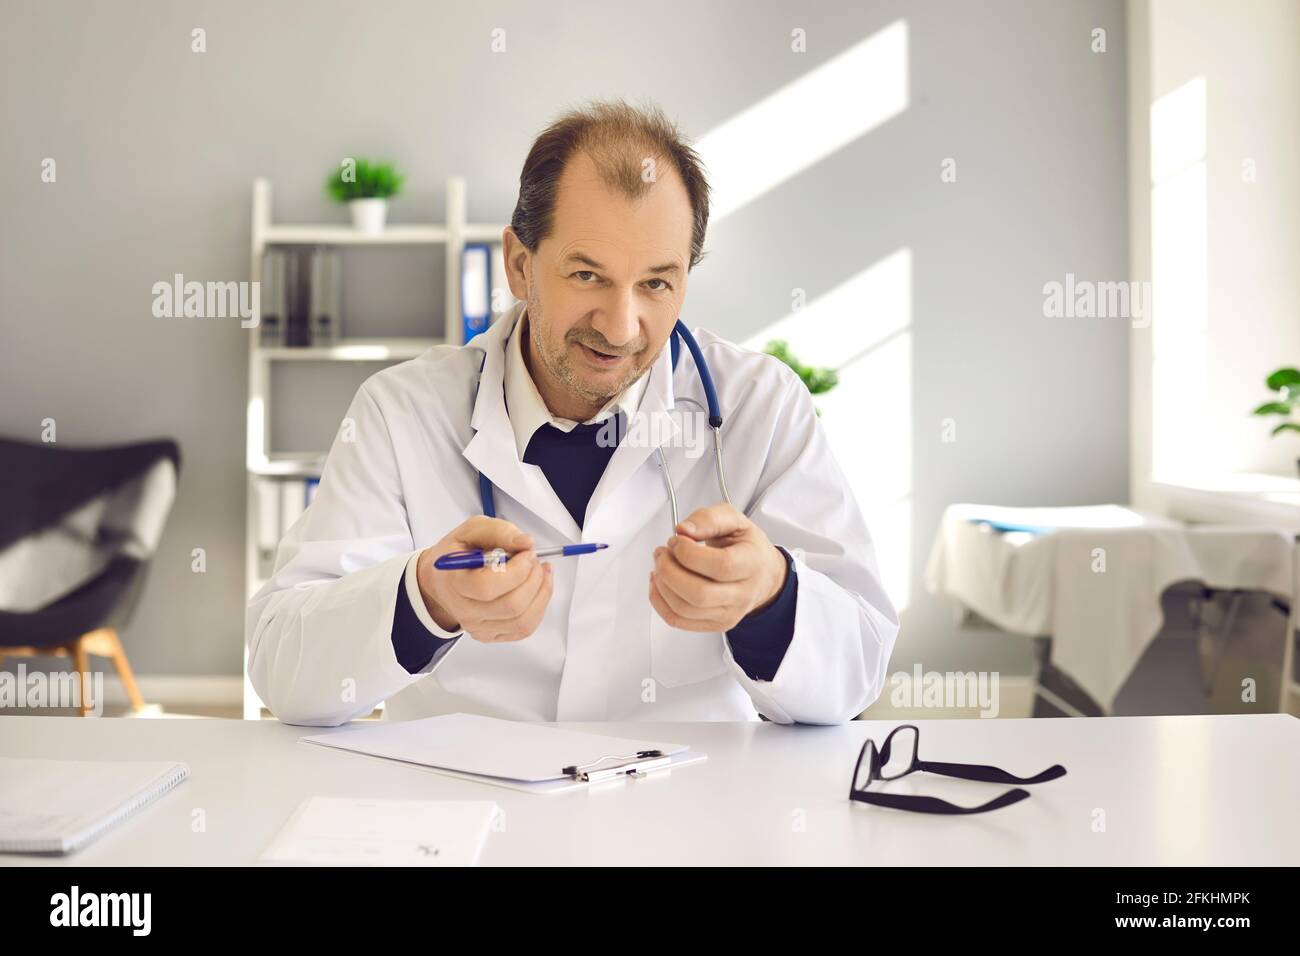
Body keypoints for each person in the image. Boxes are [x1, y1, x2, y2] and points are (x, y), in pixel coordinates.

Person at [246, 99, 898, 726]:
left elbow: (859, 665)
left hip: (688, 816)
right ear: (520, 265)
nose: (620, 326)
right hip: (468, 814)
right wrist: (426, 597)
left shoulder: (763, 407)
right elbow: (284, 668)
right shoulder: (401, 412)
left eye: (656, 283)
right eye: (587, 276)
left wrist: (769, 594)